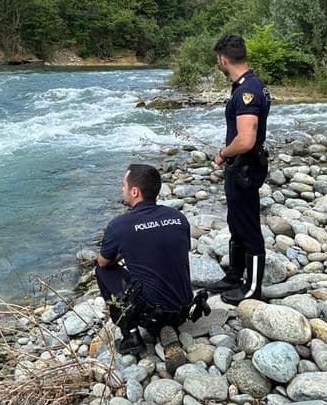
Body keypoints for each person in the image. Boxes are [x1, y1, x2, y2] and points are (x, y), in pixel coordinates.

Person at [95, 164, 194, 355]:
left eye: (123, 185)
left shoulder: (120, 225)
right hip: (184, 309)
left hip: (152, 314)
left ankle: (131, 335)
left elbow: (103, 262)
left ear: (134, 191)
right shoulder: (177, 216)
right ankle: (168, 330)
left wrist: (124, 249)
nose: (121, 189)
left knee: (102, 271)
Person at [208, 33, 271, 305]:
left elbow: (246, 140)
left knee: (247, 225)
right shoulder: (246, 85)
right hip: (239, 168)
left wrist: (222, 153)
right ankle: (235, 276)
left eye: (217, 60)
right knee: (236, 220)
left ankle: (252, 288)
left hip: (245, 167)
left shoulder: (248, 91)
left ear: (223, 59)